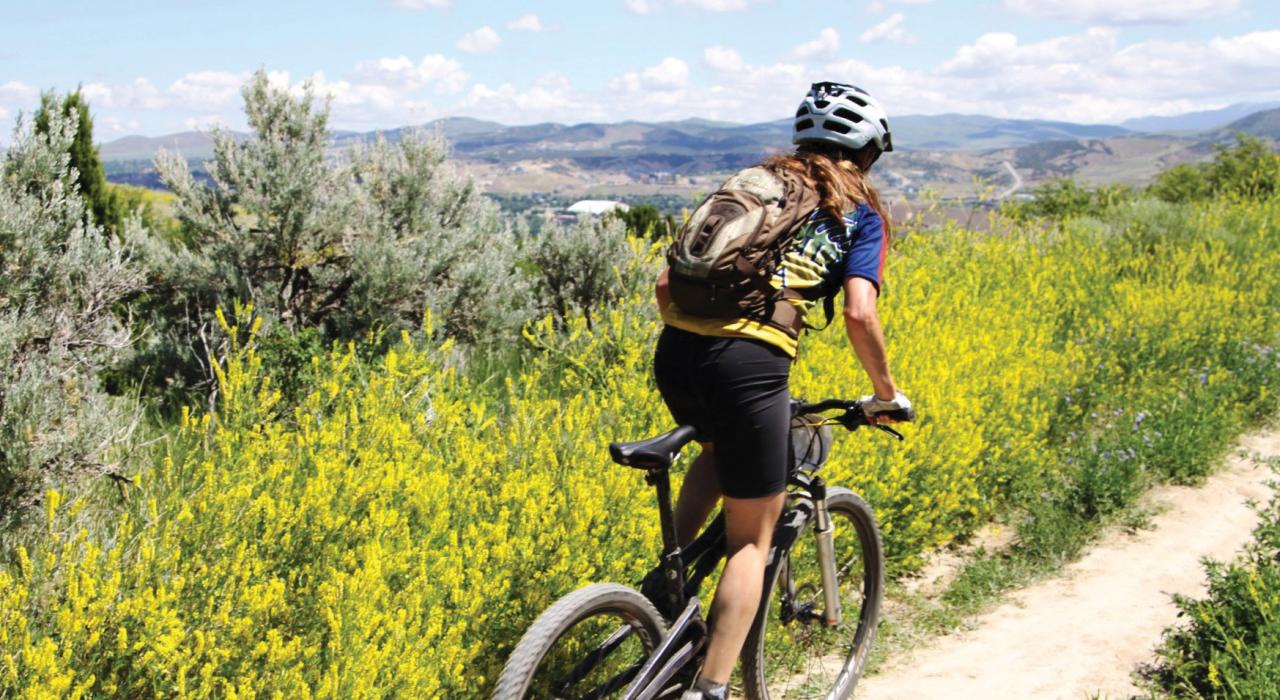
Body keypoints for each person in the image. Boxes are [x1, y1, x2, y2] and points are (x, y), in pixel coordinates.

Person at [653, 81, 912, 700]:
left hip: (675, 350)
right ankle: (710, 689)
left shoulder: (754, 182)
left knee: (717, 455)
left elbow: (668, 283)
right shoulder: (860, 214)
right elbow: (858, 313)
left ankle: (664, 589)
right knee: (751, 539)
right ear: (869, 153)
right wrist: (886, 392)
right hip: (750, 361)